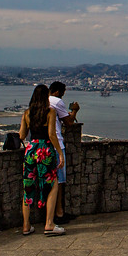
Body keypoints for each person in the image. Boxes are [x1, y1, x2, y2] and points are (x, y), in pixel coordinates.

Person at [19, 84, 66, 236]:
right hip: (45, 149)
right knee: (52, 185)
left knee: (28, 186)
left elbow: (21, 135)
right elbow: (52, 134)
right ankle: (49, 224)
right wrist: (60, 153)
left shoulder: (27, 113)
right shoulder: (50, 112)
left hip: (31, 150)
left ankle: (26, 225)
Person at [48, 81, 80, 223]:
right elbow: (69, 123)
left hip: (42, 146)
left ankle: (48, 214)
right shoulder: (57, 101)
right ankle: (59, 213)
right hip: (57, 145)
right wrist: (75, 110)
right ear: (57, 92)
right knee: (60, 180)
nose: (63, 94)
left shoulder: (42, 101)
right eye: (63, 91)